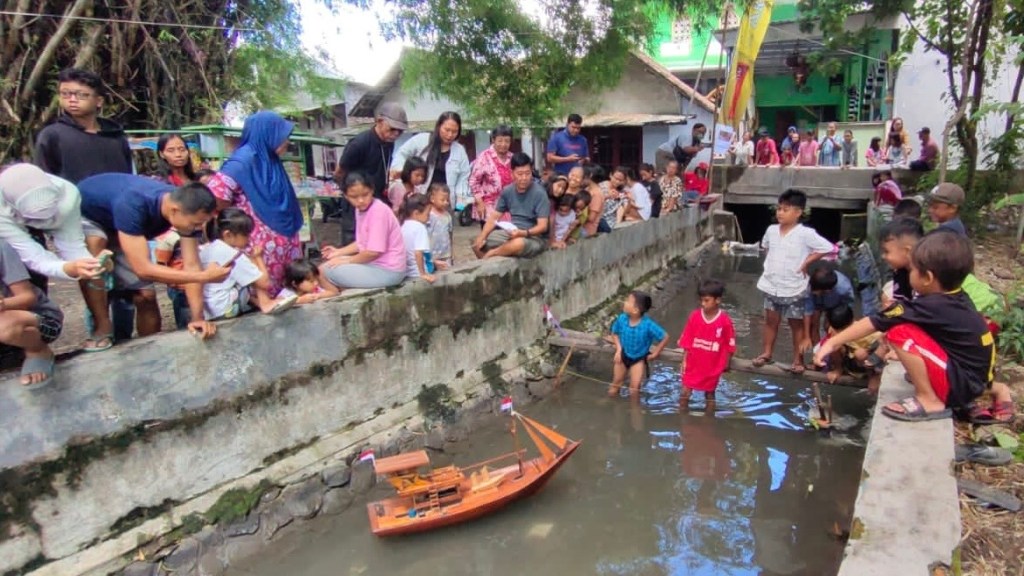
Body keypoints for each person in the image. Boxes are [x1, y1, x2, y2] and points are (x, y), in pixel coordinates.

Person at [814, 230, 998, 422]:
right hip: (973, 382)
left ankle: (929, 400)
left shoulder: (929, 306)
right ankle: (936, 387)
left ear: (927, 277)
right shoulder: (957, 298)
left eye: (913, 270)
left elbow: (876, 321)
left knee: (899, 332)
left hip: (961, 386)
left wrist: (831, 343)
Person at [77, 174, 229, 345]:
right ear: (174, 210)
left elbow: (192, 264)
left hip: (128, 227)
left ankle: (149, 346)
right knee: (96, 249)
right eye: (195, 224)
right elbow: (143, 268)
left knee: (146, 295)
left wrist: (198, 317)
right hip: (90, 216)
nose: (198, 228)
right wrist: (205, 277)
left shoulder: (185, 210)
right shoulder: (133, 204)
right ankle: (102, 326)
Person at [206, 111, 303, 296]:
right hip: (258, 245)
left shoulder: (270, 160)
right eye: (283, 136)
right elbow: (216, 195)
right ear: (267, 134)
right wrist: (238, 217)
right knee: (263, 291)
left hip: (284, 240)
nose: (287, 141)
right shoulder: (243, 161)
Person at [754, 189, 835, 374]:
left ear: (798, 212)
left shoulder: (805, 233)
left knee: (796, 324)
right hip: (771, 284)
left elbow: (827, 247)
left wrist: (807, 261)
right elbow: (765, 247)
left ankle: (798, 360)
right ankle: (766, 352)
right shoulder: (771, 230)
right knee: (770, 321)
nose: (780, 213)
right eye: (779, 209)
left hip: (794, 286)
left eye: (786, 209)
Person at [0, 164, 101, 287]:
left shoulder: (68, 196)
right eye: (34, 219)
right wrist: (67, 268)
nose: (41, 224)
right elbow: (33, 256)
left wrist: (90, 264)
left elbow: (72, 244)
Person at [33, 68, 133, 184]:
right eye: (65, 94)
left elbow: (127, 177)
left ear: (99, 101)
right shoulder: (53, 135)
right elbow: (43, 179)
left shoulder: (115, 136)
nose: (72, 100)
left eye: (81, 95)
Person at [199, 208, 298, 319]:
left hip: (209, 310)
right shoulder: (233, 254)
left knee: (247, 273)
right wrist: (258, 258)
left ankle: (261, 303)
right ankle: (266, 304)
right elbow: (264, 283)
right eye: (245, 235)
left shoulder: (208, 248)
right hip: (225, 309)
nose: (249, 239)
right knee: (254, 271)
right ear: (228, 235)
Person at [333, 102, 408, 245]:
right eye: (393, 129)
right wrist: (351, 195)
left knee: (377, 240)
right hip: (357, 201)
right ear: (379, 121)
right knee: (355, 240)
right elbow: (339, 172)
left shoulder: (389, 143)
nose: (396, 134)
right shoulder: (360, 143)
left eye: (400, 131)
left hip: (377, 199)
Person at [319, 172, 406, 290]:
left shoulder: (378, 212)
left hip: (388, 270)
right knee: (330, 264)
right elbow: (364, 241)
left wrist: (349, 260)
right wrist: (339, 252)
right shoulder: (361, 209)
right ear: (345, 196)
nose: (360, 200)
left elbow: (373, 251)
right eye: (354, 197)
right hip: (376, 265)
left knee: (323, 271)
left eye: (365, 195)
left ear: (372, 190)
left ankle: (333, 295)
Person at [0, 239, 64, 388]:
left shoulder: (2, 248)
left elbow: (27, 297)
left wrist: (4, 304)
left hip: (36, 320)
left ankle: (37, 350)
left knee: (3, 326)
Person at [472, 153, 550, 259]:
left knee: (518, 244)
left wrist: (522, 233)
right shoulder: (507, 191)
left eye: (528, 173)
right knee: (477, 243)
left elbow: (542, 226)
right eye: (520, 174)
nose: (524, 178)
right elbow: (494, 217)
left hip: (534, 237)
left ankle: (494, 253)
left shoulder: (540, 193)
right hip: (513, 232)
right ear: (512, 174)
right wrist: (482, 236)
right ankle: (489, 267)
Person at [392, 111, 471, 209]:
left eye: (454, 131)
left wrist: (460, 203)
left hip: (444, 203)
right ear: (439, 127)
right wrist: (402, 171)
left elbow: (463, 178)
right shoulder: (421, 140)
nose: (450, 135)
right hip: (420, 198)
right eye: (447, 130)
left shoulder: (459, 151)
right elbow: (402, 153)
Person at [678, 279, 736, 409]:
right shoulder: (694, 316)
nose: (703, 304)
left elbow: (729, 344)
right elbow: (687, 339)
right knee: (684, 393)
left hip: (712, 365)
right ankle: (682, 419)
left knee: (709, 394)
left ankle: (709, 421)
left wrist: (727, 362)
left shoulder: (724, 321)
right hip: (693, 363)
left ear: (717, 300)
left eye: (706, 300)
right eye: (701, 300)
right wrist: (684, 360)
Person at [608, 290, 668, 398]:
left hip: (638, 359)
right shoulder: (622, 319)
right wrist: (618, 349)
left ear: (635, 310)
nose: (624, 302)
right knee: (616, 382)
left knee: (634, 388)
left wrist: (655, 353)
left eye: (628, 301)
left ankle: (635, 411)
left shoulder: (648, 325)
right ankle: (610, 400)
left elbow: (665, 337)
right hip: (623, 354)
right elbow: (614, 333)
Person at [820, 304, 884, 394]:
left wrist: (875, 375)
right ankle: (838, 369)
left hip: (866, 363)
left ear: (852, 321)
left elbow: (882, 348)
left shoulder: (869, 333)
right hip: (849, 360)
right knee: (833, 345)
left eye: (844, 329)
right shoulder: (834, 329)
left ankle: (872, 376)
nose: (841, 333)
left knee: (860, 353)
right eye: (838, 330)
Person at [470, 126, 515, 226]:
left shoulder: (513, 158)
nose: (503, 144)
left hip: (508, 206)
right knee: (490, 237)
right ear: (493, 140)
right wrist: (480, 202)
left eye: (507, 141)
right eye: (500, 141)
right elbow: (474, 181)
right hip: (488, 206)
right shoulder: (484, 157)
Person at [804, 263, 855, 342]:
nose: (815, 293)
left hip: (836, 303)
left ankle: (833, 347)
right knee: (813, 326)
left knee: (830, 327)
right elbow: (807, 311)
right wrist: (806, 337)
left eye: (817, 292)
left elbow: (846, 308)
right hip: (818, 303)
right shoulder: (811, 284)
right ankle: (818, 350)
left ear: (828, 290)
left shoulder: (843, 289)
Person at [879, 217, 924, 305]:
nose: (883, 256)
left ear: (907, 251)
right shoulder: (901, 272)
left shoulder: (923, 277)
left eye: (886, 251)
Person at [399, 193, 437, 283]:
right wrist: (423, 273)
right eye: (427, 214)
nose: (428, 218)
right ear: (416, 213)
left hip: (406, 272)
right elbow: (418, 253)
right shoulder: (419, 227)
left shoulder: (403, 225)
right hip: (417, 271)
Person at [426, 184, 454, 269]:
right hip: (432, 254)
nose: (445, 202)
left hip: (446, 254)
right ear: (432, 199)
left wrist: (451, 252)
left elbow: (450, 233)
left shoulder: (447, 216)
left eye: (447, 200)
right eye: (442, 200)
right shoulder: (428, 215)